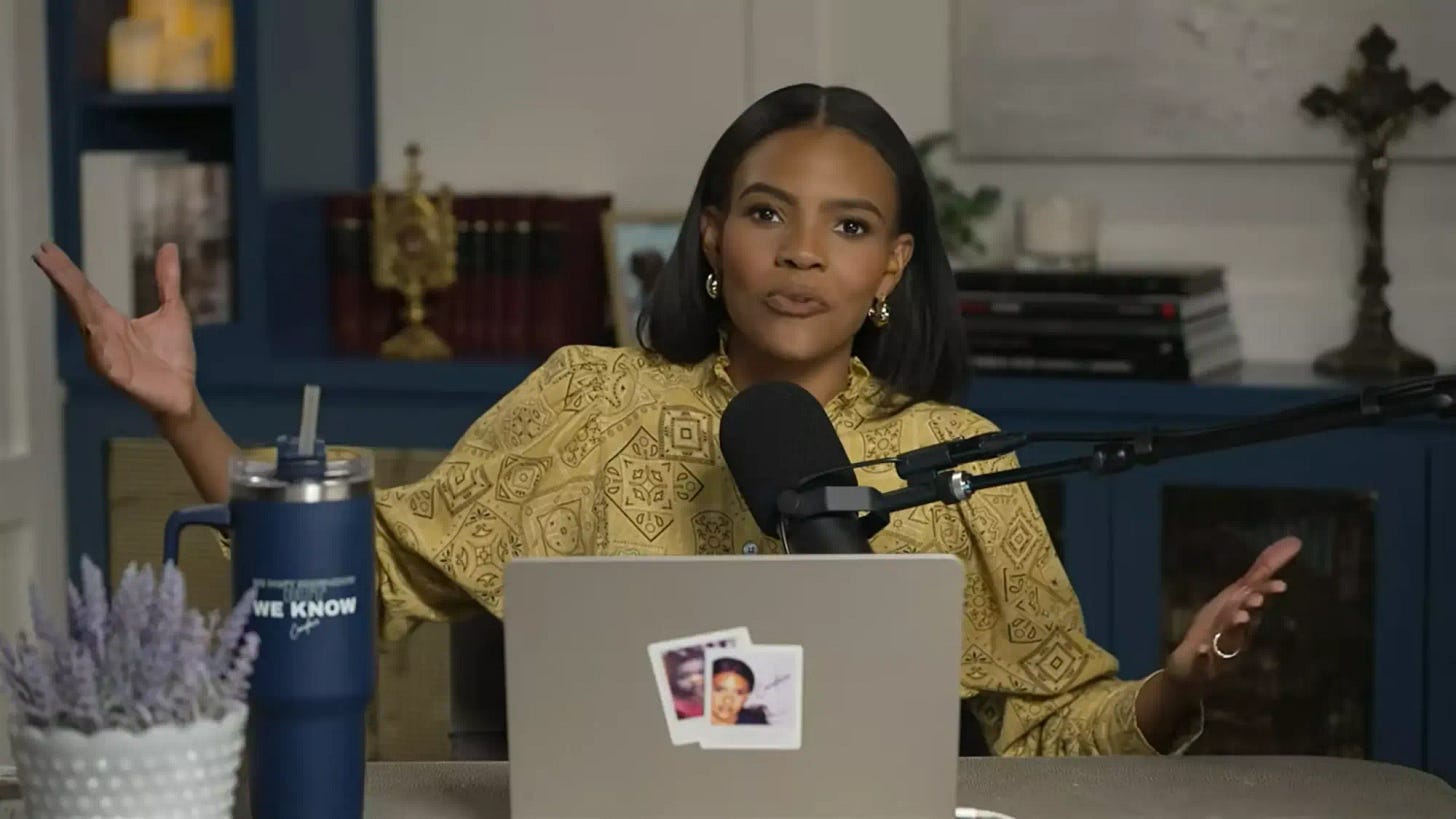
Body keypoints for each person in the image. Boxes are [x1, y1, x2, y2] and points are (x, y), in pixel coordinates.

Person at [31, 82, 1300, 757]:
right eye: (764, 213)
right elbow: (352, 572)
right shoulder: (586, 398)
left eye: (847, 228)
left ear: (894, 268)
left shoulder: (948, 459)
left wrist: (1178, 686)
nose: (801, 255)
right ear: (708, 237)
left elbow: (1058, 733)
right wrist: (186, 411)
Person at [709, 657, 768, 726]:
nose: (727, 700)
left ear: (746, 696)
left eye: (738, 693)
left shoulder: (757, 724)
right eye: (719, 690)